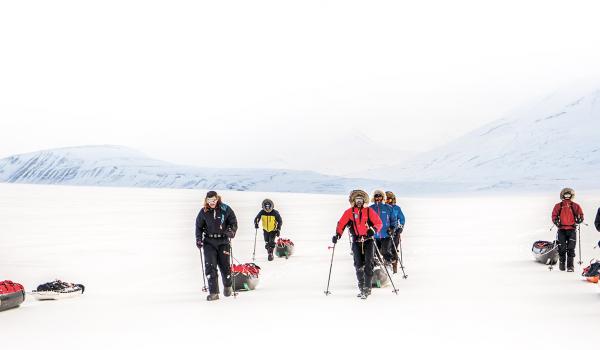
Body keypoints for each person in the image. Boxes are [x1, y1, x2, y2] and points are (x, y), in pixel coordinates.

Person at [333, 189, 383, 299]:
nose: (359, 202)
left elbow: (379, 223)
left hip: (368, 240)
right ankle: (361, 287)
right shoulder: (349, 212)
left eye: (361, 200)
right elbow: (341, 224)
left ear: (364, 200)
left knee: (369, 264)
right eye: (357, 200)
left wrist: (373, 230)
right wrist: (337, 235)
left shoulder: (369, 211)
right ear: (354, 201)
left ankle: (367, 288)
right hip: (356, 241)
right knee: (358, 264)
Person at [195, 191, 238, 301]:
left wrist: (231, 231)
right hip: (209, 242)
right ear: (206, 200)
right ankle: (213, 292)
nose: (211, 203)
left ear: (217, 199)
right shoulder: (203, 211)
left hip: (223, 241)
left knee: (225, 266)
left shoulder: (225, 209)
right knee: (210, 267)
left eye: (213, 200)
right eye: (209, 201)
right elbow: (198, 226)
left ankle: (228, 286)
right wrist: (199, 239)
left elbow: (233, 221)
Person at [551, 188, 584, 272]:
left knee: (571, 248)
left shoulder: (575, 205)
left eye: (568, 195)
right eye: (565, 194)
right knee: (561, 247)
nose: (567, 196)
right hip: (561, 229)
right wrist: (556, 221)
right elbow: (554, 215)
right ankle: (562, 266)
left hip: (572, 229)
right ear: (562, 195)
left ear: (571, 195)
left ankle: (570, 267)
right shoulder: (558, 205)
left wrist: (580, 219)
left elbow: (580, 214)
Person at [370, 190, 397, 266]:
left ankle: (388, 264)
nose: (378, 197)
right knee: (374, 252)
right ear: (374, 198)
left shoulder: (388, 208)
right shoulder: (370, 208)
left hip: (386, 234)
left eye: (379, 196)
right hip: (374, 235)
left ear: (383, 197)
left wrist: (392, 228)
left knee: (385, 251)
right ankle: (377, 268)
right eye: (376, 196)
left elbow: (393, 219)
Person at [385, 191, 406, 273]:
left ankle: (394, 267)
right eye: (386, 199)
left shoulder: (396, 208)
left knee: (394, 248)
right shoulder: (382, 208)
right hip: (384, 231)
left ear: (392, 199)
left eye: (389, 199)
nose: (387, 201)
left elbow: (402, 219)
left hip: (395, 231)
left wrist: (400, 227)